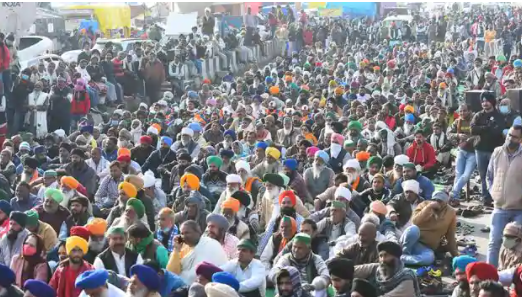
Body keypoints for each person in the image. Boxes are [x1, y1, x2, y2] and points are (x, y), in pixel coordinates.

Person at [486, 125, 522, 267]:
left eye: (514, 137)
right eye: (509, 135)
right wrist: (493, 192)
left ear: (520, 139)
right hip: (499, 207)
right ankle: (489, 278)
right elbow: (489, 176)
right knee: (494, 242)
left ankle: (513, 278)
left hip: (519, 209)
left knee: (515, 245)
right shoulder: (497, 152)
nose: (510, 138)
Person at [401, 191, 458, 266]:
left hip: (425, 247)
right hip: (411, 241)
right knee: (413, 229)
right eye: (434, 200)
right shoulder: (423, 205)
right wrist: (428, 207)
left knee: (429, 258)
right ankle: (403, 253)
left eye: (439, 201)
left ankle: (402, 259)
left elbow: (450, 236)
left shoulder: (451, 212)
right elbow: (415, 222)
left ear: (445, 202)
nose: (436, 202)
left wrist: (456, 256)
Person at [166, 220, 228, 284]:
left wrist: (179, 280)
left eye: (187, 233)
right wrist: (176, 249)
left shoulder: (210, 244)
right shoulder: (182, 247)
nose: (184, 236)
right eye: (182, 233)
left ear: (198, 232)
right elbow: (171, 272)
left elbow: (194, 275)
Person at [471, 92, 505, 207]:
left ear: (492, 102)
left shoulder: (499, 115)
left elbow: (497, 131)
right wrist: (486, 127)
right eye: (483, 101)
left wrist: (485, 129)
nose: (485, 103)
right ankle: (486, 198)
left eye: (487, 101)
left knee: (495, 175)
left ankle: (494, 197)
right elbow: (472, 129)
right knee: (483, 174)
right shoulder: (478, 115)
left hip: (494, 150)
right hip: (480, 149)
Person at [354, 241, 421, 296]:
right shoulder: (377, 268)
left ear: (396, 258)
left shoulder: (406, 276)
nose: (383, 260)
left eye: (386, 255)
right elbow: (353, 270)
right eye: (381, 256)